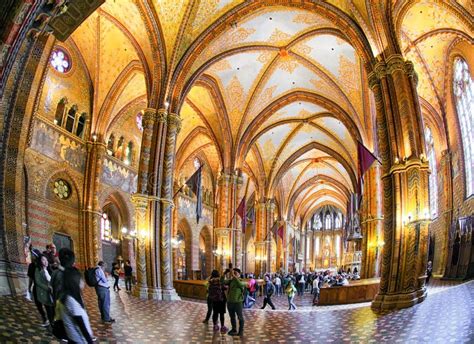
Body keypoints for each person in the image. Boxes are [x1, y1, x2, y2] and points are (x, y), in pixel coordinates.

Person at [58, 267, 96, 343]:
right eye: (81, 279)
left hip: (74, 338)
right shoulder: (71, 300)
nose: (83, 282)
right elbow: (81, 326)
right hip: (78, 340)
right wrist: (90, 341)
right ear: (75, 281)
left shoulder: (70, 295)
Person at [223, 268, 246, 337]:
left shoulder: (241, 281)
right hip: (230, 302)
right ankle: (234, 329)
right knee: (232, 317)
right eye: (234, 272)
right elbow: (222, 282)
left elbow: (240, 284)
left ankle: (241, 331)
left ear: (239, 274)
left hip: (238, 302)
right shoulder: (231, 281)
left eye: (236, 273)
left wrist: (234, 275)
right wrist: (224, 273)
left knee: (240, 317)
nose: (234, 274)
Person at [28, 249, 48, 326]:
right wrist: (29, 288)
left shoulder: (43, 264)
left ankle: (50, 318)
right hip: (36, 287)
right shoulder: (31, 265)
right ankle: (44, 318)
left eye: (32, 255)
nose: (31, 256)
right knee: (38, 304)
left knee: (47, 304)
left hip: (44, 287)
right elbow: (31, 278)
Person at [34, 254, 55, 325]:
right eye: (43, 260)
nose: (45, 261)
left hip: (52, 293)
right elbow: (38, 281)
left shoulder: (49, 269)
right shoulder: (38, 269)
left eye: (46, 260)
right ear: (40, 261)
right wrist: (47, 288)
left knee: (53, 308)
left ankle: (54, 322)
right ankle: (51, 323)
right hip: (44, 292)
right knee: (49, 308)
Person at [207, 270, 228, 334]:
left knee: (215, 313)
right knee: (221, 313)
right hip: (221, 299)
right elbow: (224, 287)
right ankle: (222, 326)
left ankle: (215, 326)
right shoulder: (220, 281)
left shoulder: (210, 281)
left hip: (214, 300)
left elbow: (208, 289)